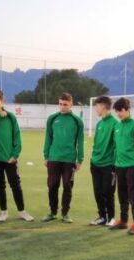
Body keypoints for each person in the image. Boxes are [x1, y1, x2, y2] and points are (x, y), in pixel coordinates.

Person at [0, 88, 34, 222]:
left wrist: (15, 155)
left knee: (15, 185)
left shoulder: (10, 117)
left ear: (2, 100)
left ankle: (22, 211)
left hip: (10, 159)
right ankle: (3, 212)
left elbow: (17, 137)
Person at [42, 92, 84, 223]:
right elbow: (48, 138)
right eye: (60, 104)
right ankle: (52, 212)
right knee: (52, 185)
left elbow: (80, 141)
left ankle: (65, 213)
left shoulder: (77, 121)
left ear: (71, 104)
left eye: (65, 104)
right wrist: (46, 156)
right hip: (54, 158)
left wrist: (80, 159)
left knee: (67, 186)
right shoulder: (52, 119)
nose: (62, 107)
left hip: (69, 160)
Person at [108, 97, 134, 234]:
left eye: (121, 111)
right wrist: (115, 162)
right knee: (121, 194)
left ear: (128, 110)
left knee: (132, 195)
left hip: (132, 165)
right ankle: (123, 221)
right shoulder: (117, 126)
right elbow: (116, 148)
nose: (118, 114)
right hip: (119, 166)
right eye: (117, 111)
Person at [88, 95, 118, 226]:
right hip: (95, 163)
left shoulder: (115, 124)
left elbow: (117, 146)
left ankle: (111, 217)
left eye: (97, 106)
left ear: (103, 106)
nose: (95, 109)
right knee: (97, 191)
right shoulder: (99, 123)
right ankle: (102, 216)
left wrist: (115, 163)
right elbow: (96, 143)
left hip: (109, 165)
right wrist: (93, 157)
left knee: (108, 192)